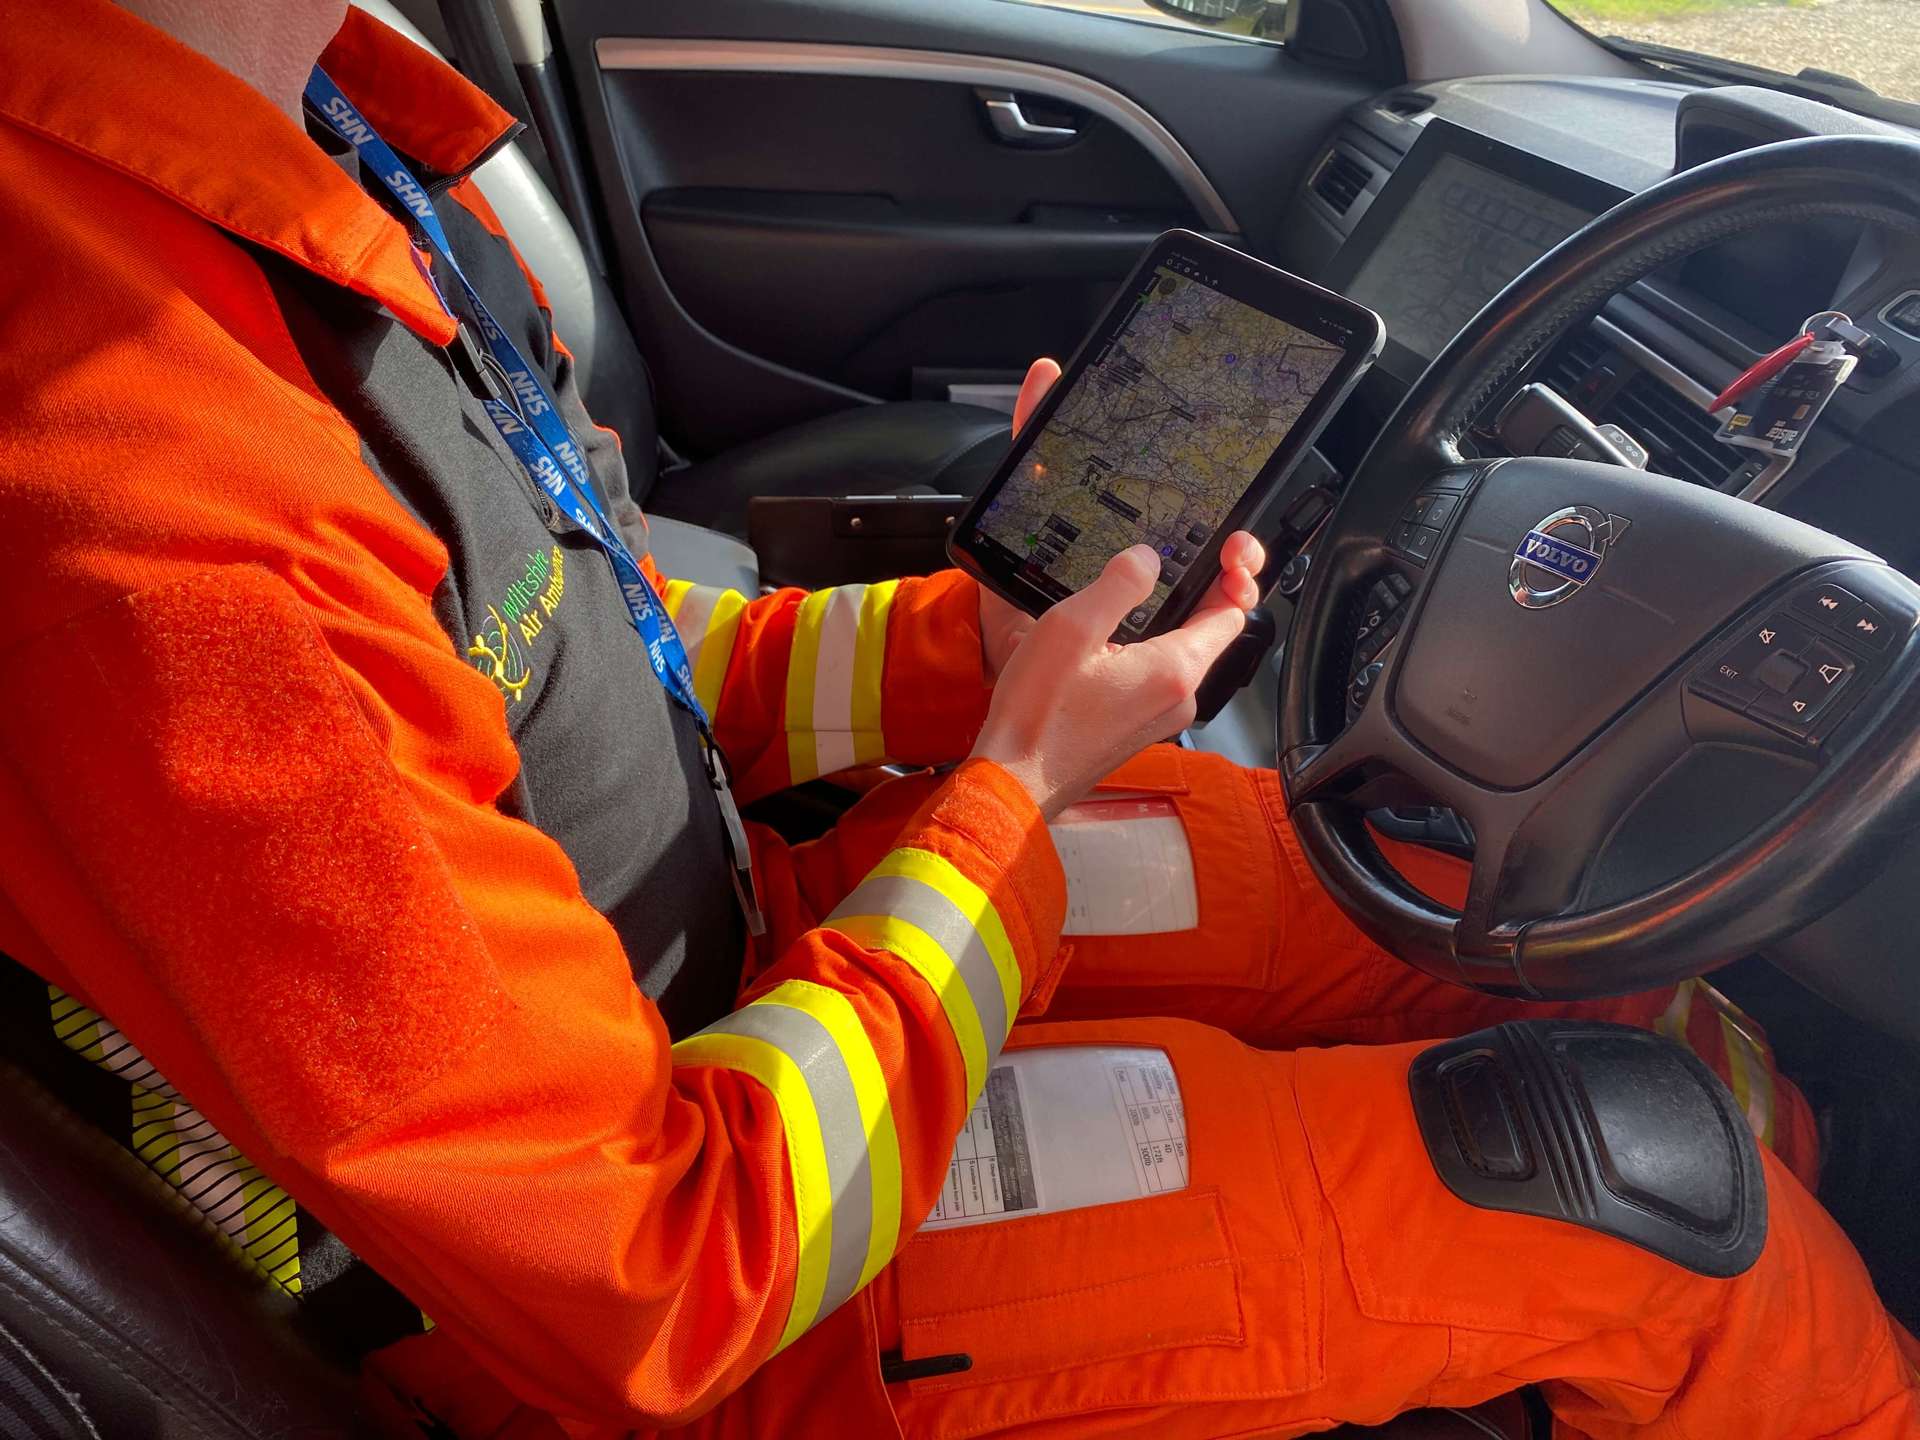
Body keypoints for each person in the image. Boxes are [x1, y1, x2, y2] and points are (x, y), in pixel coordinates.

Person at [0, 1, 1914, 1436]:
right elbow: (649, 1281)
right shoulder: (141, 506)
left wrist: (986, 643)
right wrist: (1010, 792)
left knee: (1393, 888)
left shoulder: (324, 137)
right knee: (1643, 1202)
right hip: (722, 1291)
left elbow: (612, 657)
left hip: (735, 954)